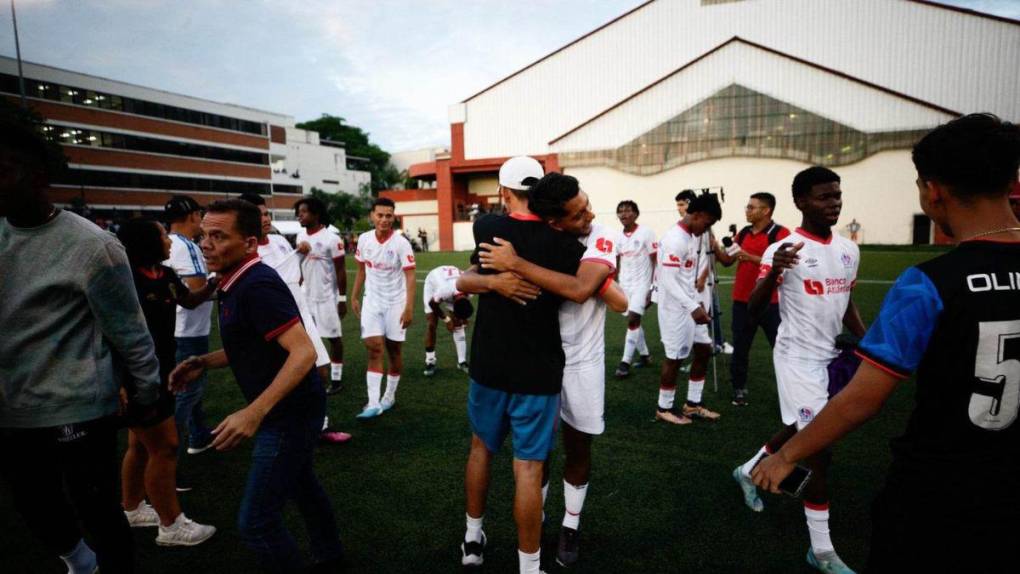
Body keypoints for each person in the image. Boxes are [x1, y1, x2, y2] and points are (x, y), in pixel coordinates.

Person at [753, 114, 1020, 572]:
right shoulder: (787, 249)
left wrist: (787, 458)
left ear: (932, 190)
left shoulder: (928, 283)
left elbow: (862, 400)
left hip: (939, 493)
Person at [1, 117, 160, 573]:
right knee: (33, 505)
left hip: (78, 408)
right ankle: (80, 562)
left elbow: (130, 330)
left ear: (38, 176)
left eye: (3, 170)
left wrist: (147, 394)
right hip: (12, 406)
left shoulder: (93, 246)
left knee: (98, 509)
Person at [169, 199, 344, 572]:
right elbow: (251, 344)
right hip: (288, 410)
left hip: (289, 415)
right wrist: (204, 361)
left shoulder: (256, 285)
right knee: (303, 487)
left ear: (250, 243)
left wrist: (254, 411)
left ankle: (328, 554)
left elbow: (303, 353)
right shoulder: (232, 281)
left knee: (255, 523)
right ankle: (331, 555)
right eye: (204, 236)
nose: (206, 245)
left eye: (218, 236)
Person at [476, 172, 628, 568]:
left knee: (578, 445)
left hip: (582, 361)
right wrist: (493, 279)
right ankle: (536, 520)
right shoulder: (534, 233)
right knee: (535, 452)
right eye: (578, 215)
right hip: (536, 357)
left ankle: (570, 524)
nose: (589, 215)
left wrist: (517, 264)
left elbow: (587, 290)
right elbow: (476, 272)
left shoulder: (601, 235)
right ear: (555, 223)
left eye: (587, 204)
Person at [732, 166, 865, 574]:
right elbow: (753, 311)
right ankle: (821, 551)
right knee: (817, 449)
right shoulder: (783, 249)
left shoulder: (848, 250)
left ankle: (748, 469)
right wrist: (774, 273)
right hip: (796, 359)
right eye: (825, 197)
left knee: (803, 429)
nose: (834, 203)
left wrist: (869, 342)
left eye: (837, 195)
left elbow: (847, 305)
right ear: (802, 202)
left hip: (832, 357)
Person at [455, 157, 584, 574]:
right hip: (538, 369)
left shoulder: (487, 229)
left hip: (490, 363)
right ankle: (529, 568)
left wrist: (486, 280)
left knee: (481, 450)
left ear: (503, 190)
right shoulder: (567, 246)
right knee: (529, 469)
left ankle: (472, 539)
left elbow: (468, 274)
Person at [115, 219, 217, 546]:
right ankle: (171, 526)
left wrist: (215, 284)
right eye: (163, 235)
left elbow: (188, 300)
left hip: (161, 367)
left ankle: (130, 509)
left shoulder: (165, 274)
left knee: (139, 444)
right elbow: (109, 331)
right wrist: (119, 380)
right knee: (166, 446)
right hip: (137, 373)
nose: (170, 241)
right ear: (146, 242)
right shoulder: (124, 279)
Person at [241, 193, 352, 444]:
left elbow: (292, 270)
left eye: (267, 213)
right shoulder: (247, 251)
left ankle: (319, 425)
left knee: (320, 370)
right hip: (276, 318)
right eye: (259, 215)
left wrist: (300, 253)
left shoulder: (280, 241)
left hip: (301, 310)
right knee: (281, 377)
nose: (266, 219)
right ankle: (285, 427)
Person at [714, 192, 790, 406]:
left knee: (781, 347)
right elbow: (729, 260)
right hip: (742, 301)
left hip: (771, 302)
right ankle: (738, 389)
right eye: (747, 207)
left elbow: (782, 263)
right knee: (740, 347)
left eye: (751, 207)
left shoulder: (780, 233)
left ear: (766, 210)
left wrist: (750, 257)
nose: (747, 210)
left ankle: (791, 390)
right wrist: (715, 246)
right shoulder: (744, 232)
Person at [654, 193, 724, 425]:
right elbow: (668, 281)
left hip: (690, 304)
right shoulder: (675, 239)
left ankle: (692, 405)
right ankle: (664, 407)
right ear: (698, 215)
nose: (707, 229)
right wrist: (693, 306)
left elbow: (688, 277)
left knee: (703, 349)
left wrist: (698, 302)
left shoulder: (693, 236)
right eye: (708, 223)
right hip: (675, 308)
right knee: (674, 357)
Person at [349, 197, 416, 418]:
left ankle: (389, 396)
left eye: (388, 215)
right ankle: (373, 403)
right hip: (372, 301)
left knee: (393, 350)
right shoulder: (364, 240)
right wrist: (355, 296)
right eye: (380, 215)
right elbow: (360, 270)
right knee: (374, 348)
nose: (384, 219)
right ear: (372, 216)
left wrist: (408, 308)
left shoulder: (400, 243)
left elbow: (410, 276)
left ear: (393, 217)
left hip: (396, 303)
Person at [164, 195, 216, 459]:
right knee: (187, 390)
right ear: (193, 216)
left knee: (189, 386)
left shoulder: (170, 242)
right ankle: (167, 457)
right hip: (188, 330)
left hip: (177, 328)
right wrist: (218, 282)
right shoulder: (185, 246)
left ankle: (199, 435)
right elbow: (196, 291)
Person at [295, 196, 347, 394]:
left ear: (316, 214)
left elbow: (341, 271)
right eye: (298, 213)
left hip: (327, 297)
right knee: (307, 338)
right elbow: (299, 267)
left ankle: (336, 378)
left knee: (333, 338)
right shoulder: (301, 237)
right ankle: (313, 373)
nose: (300, 216)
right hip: (306, 297)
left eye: (304, 212)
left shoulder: (332, 238)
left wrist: (342, 299)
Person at [613, 200, 657, 378]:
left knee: (633, 319)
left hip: (643, 285)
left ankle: (625, 362)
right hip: (625, 284)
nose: (624, 214)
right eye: (620, 211)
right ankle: (645, 355)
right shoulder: (618, 237)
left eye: (628, 211)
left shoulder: (646, 233)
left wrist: (654, 287)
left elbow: (655, 260)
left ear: (636, 214)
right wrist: (614, 282)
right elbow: (616, 261)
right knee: (633, 321)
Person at [422, 265, 473, 376]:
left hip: (454, 288)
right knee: (432, 324)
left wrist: (463, 319)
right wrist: (447, 319)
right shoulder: (444, 290)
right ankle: (430, 361)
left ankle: (462, 361)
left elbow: (464, 309)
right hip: (433, 282)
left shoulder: (470, 288)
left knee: (459, 325)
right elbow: (433, 304)